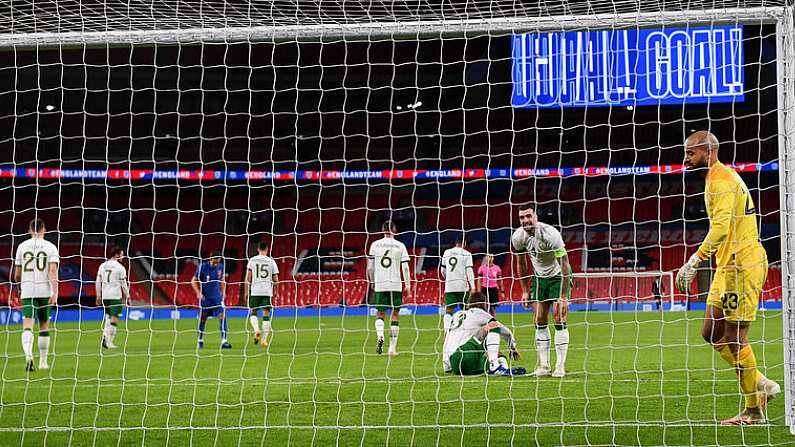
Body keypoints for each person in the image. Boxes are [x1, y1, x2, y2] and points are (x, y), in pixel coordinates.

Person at [676, 130, 779, 425]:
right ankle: (762, 383)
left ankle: (753, 410)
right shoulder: (717, 178)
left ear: (708, 152)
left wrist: (695, 260)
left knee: (736, 338)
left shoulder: (721, 180)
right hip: (727, 265)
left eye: (691, 153)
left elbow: (720, 228)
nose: (686, 157)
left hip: (741, 264)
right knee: (710, 332)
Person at [512, 204, 571, 378]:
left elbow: (565, 264)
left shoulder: (550, 234)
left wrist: (563, 296)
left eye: (528, 216)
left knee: (559, 317)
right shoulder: (518, 237)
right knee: (539, 319)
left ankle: (560, 365)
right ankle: (544, 365)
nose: (526, 220)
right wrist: (524, 290)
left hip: (558, 275)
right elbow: (521, 263)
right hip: (539, 278)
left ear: (535, 216)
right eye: (522, 217)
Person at [14, 218, 59, 372]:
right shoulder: (51, 247)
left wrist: (20, 288)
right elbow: (52, 271)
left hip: (28, 290)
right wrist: (55, 291)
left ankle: (28, 355)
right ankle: (43, 362)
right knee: (44, 325)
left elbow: (17, 274)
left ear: (29, 230)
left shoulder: (21, 246)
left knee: (27, 325)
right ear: (44, 229)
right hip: (44, 291)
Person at [442, 291, 523, 376]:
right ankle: (494, 366)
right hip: (464, 353)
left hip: (455, 364)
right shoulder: (479, 312)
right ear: (481, 304)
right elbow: (505, 331)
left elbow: (447, 339)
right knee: (493, 325)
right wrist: (512, 347)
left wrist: (447, 366)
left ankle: (503, 368)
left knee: (496, 354)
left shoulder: (457, 315)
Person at [367, 220, 411, 356]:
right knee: (395, 314)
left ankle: (380, 336)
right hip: (396, 284)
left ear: (382, 230)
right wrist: (408, 286)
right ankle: (392, 349)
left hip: (380, 284)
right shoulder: (400, 245)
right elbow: (405, 267)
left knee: (380, 313)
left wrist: (373, 282)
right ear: (394, 230)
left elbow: (370, 267)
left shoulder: (374, 245)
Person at [241, 241, 279, 347]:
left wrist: (245, 292)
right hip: (267, 291)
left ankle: (256, 330)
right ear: (267, 249)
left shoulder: (252, 260)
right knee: (266, 315)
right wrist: (276, 292)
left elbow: (247, 278)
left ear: (258, 249)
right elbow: (276, 280)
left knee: (253, 312)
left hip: (255, 291)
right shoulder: (271, 261)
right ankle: (264, 340)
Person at [191, 252, 230, 349]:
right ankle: (200, 340)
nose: (216, 264)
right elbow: (193, 280)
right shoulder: (202, 267)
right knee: (203, 319)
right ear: (210, 259)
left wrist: (223, 291)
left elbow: (222, 280)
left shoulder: (221, 267)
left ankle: (224, 341)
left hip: (217, 298)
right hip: (205, 299)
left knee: (222, 316)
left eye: (218, 262)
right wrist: (198, 293)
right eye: (214, 262)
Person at [96, 246, 129, 349]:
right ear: (117, 255)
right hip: (115, 296)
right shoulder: (120, 268)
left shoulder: (102, 265)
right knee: (114, 319)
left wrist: (98, 295)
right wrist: (128, 296)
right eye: (122, 254)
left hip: (105, 296)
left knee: (108, 317)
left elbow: (98, 281)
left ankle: (105, 337)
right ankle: (108, 341)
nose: (123, 257)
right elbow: (123, 284)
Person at [440, 235, 476, 331]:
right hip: (462, 286)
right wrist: (473, 287)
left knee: (449, 310)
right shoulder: (467, 254)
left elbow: (442, 270)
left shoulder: (446, 252)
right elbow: (469, 271)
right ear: (464, 243)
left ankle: (446, 333)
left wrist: (449, 278)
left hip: (449, 286)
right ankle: (465, 332)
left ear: (456, 242)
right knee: (466, 309)